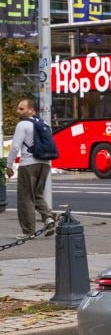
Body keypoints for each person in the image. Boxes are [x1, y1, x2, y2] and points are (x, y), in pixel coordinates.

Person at [5, 98, 55, 238]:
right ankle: (49, 218)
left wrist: (9, 165)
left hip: (28, 164)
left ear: (31, 110)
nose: (18, 111)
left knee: (25, 197)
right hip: (45, 164)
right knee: (37, 194)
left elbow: (15, 147)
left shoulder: (23, 125)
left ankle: (28, 231)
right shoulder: (44, 124)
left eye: (21, 109)